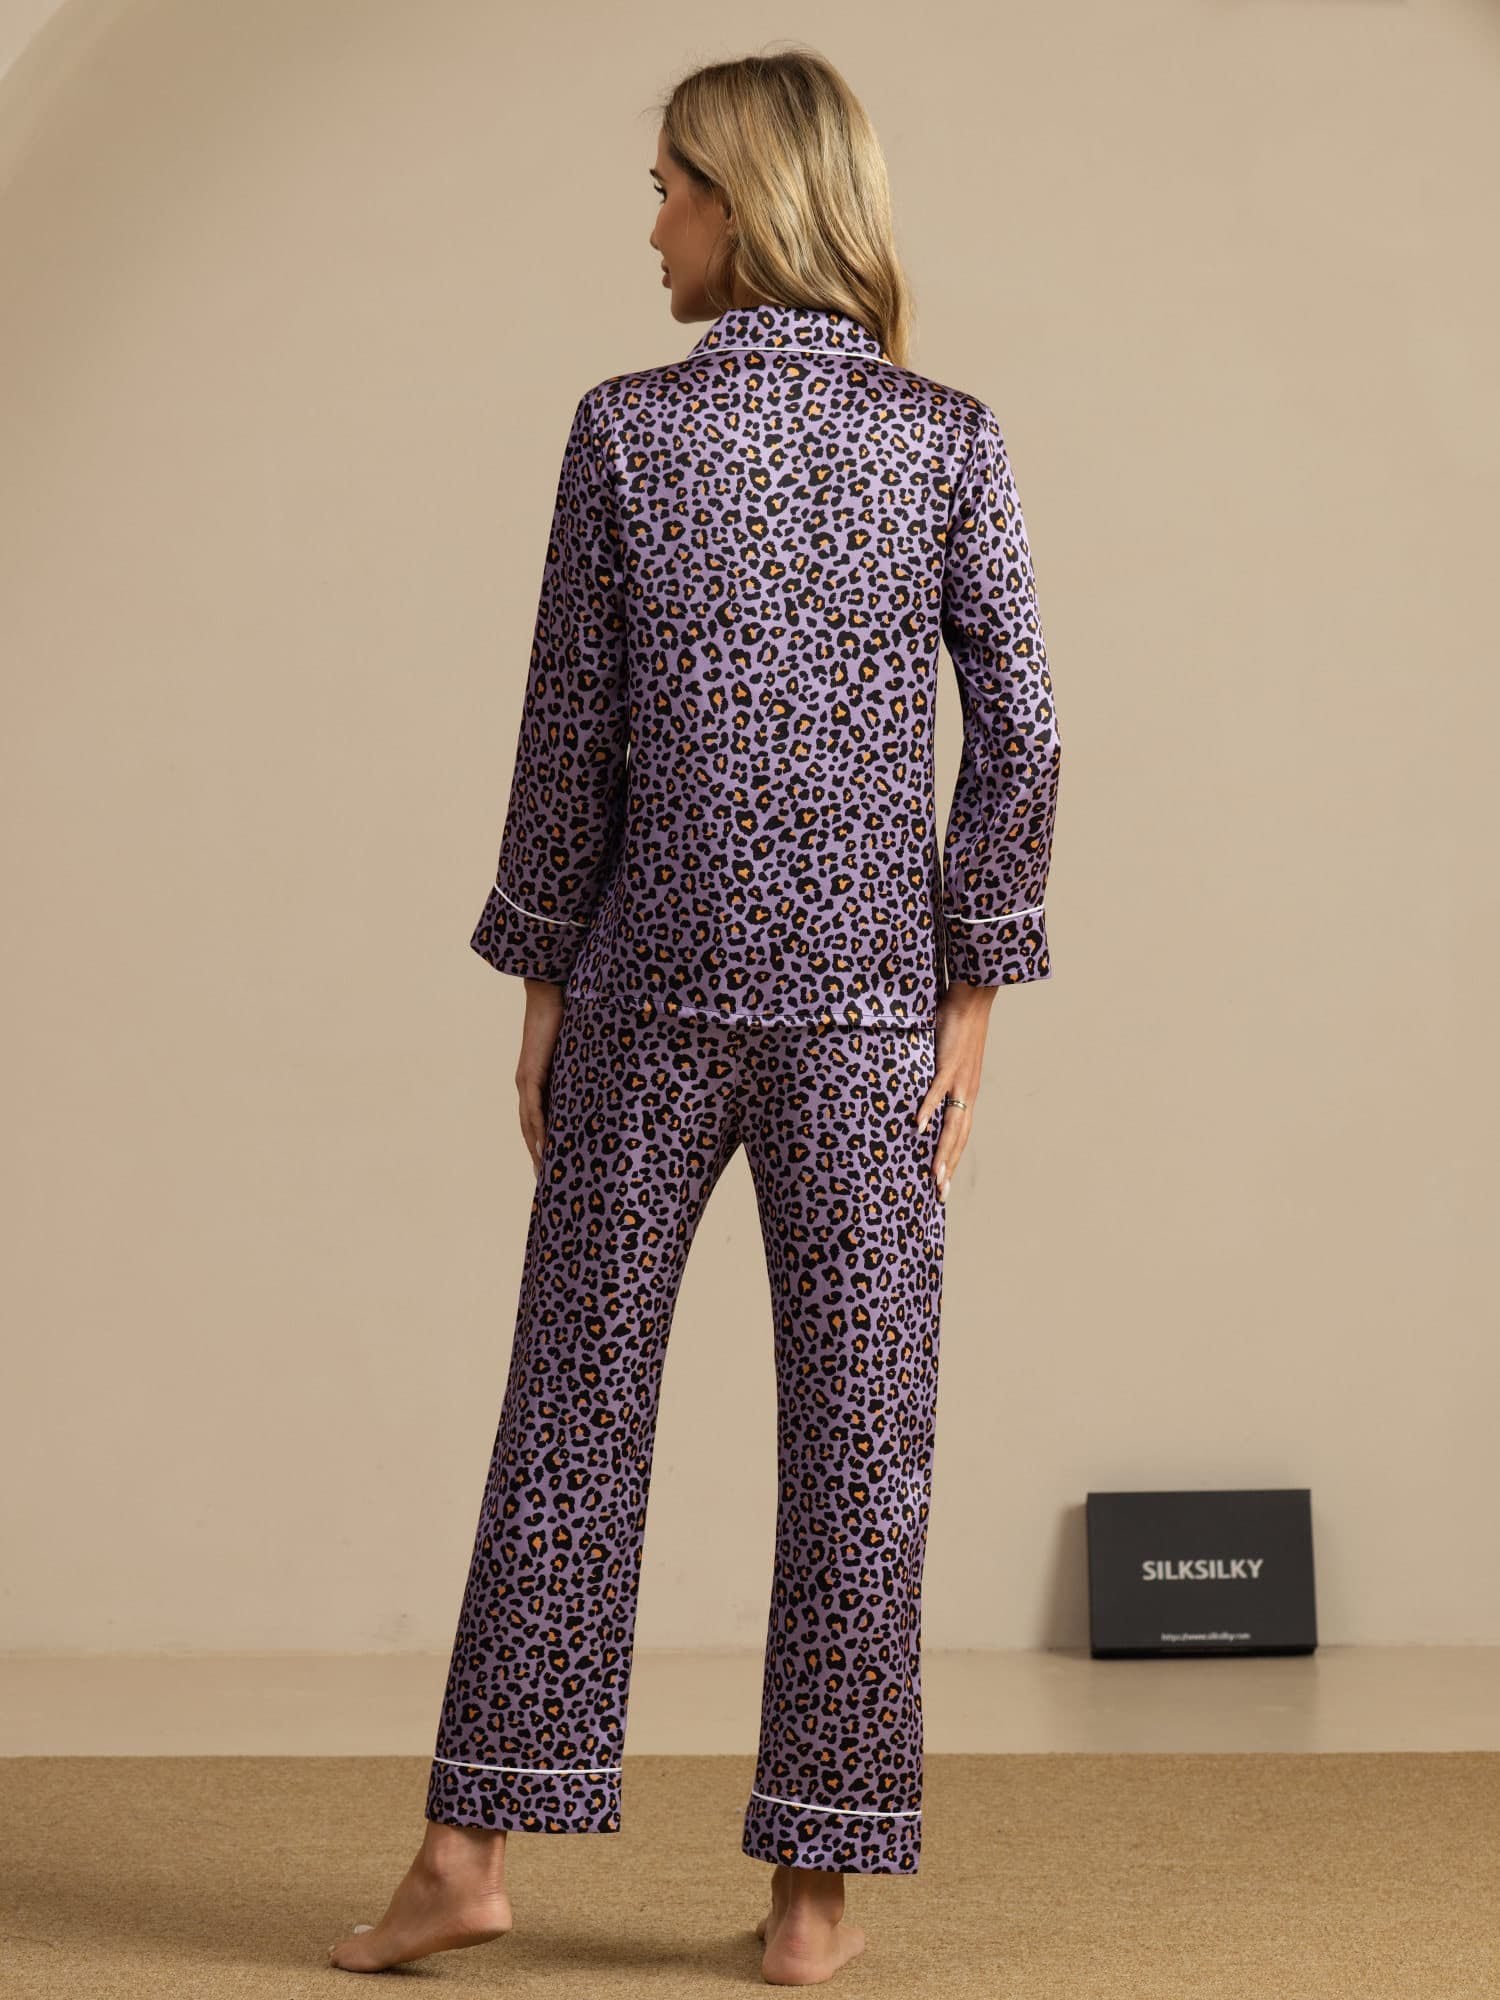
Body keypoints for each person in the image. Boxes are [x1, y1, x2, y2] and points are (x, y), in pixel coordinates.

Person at [329, 44, 1061, 1987]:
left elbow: (569, 730)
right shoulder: (947, 439)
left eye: (667, 185)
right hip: (867, 1017)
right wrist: (972, 992)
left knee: (568, 1416)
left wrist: (542, 983)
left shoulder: (626, 432)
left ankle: (466, 1853)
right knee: (866, 1440)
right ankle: (813, 1900)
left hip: (647, 992)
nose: (649, 220)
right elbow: (1027, 732)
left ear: (743, 203)